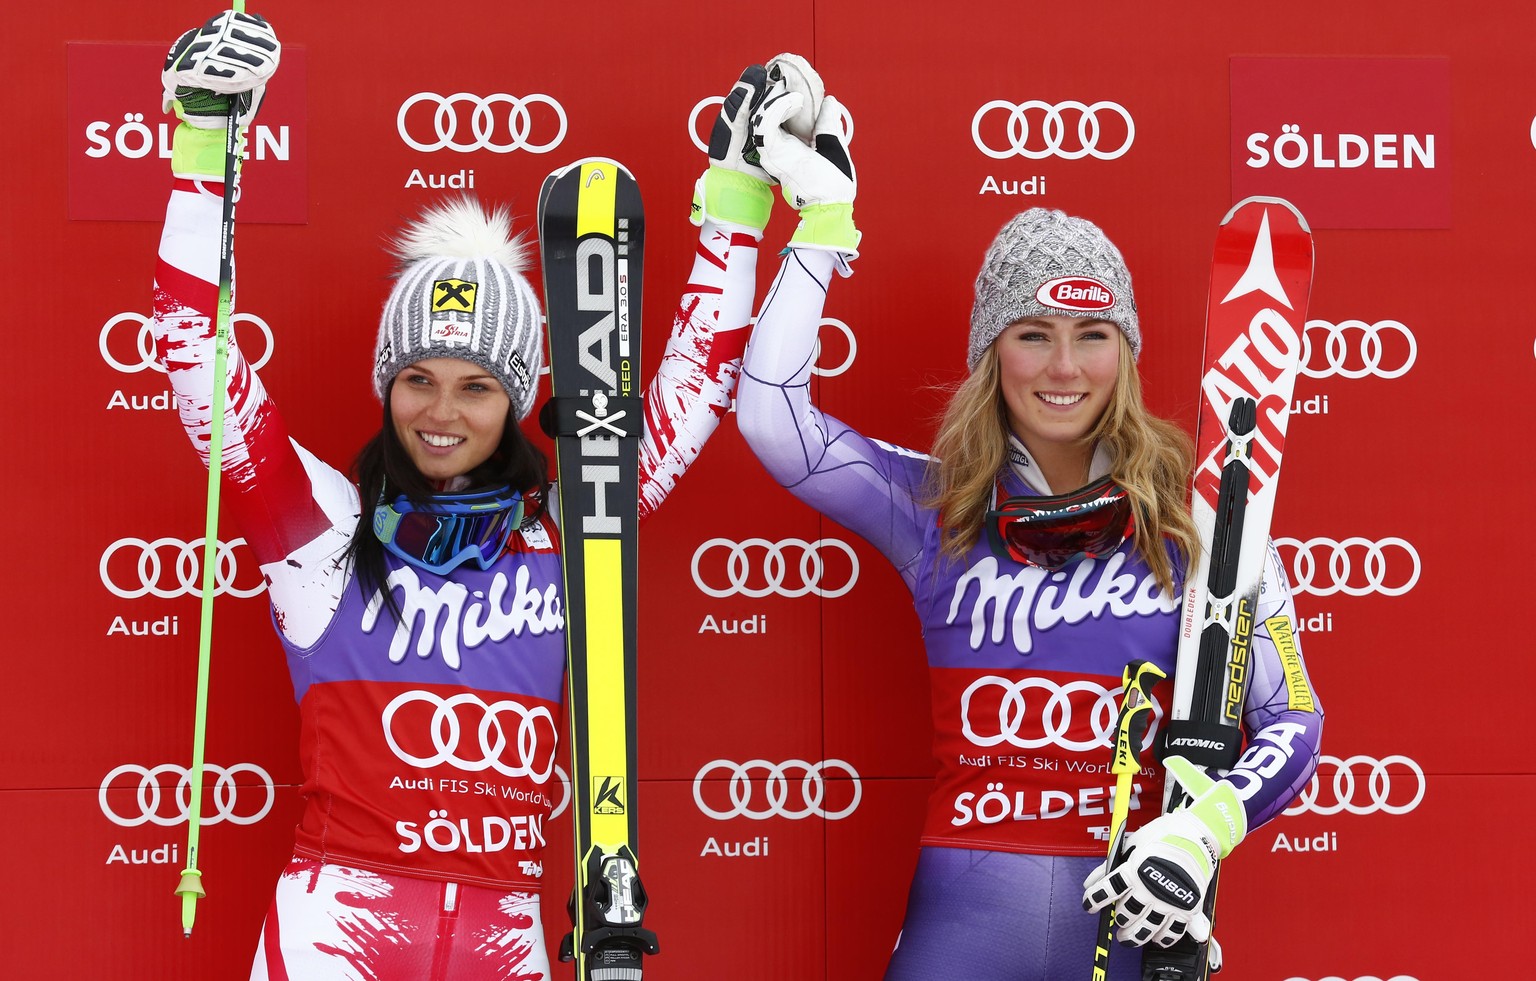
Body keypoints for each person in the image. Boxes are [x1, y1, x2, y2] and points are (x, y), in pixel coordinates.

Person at [152, 11, 779, 978]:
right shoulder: (320, 525)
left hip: (507, 931)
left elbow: (694, 393)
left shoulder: (570, 528)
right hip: (337, 922)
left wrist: (736, 203)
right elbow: (197, 357)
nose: (442, 412)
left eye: (477, 386)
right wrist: (202, 139)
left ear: (519, 396)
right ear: (386, 384)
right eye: (419, 378)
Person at [735, 65, 1325, 980]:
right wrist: (820, 227)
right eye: (1032, 332)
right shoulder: (935, 509)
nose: (1064, 365)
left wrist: (1198, 836)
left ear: (1124, 354)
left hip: (1138, 915)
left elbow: (1293, 720)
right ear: (991, 352)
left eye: (1092, 335)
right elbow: (774, 415)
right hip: (960, 926)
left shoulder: (1202, 517)